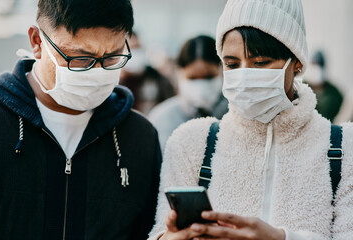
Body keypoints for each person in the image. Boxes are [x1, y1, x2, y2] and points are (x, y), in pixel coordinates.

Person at [148, 0, 353, 239]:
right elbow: (160, 230)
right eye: (232, 64)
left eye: (261, 63)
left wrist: (281, 238)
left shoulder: (344, 148)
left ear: (296, 62)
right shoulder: (191, 143)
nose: (244, 75)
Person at [0, 0, 161, 239]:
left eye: (112, 58)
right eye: (81, 59)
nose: (97, 73)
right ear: (37, 42)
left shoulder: (139, 137)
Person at [148, 35, 227, 151]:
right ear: (179, 74)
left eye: (209, 76)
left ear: (222, 71)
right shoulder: (162, 118)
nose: (201, 85)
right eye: (193, 78)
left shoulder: (238, 115)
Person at [120, 32, 175, 115]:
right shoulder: (114, 82)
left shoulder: (157, 79)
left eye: (137, 48)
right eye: (130, 49)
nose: (133, 53)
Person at [303, 51, 343, 122]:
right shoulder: (301, 88)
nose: (316, 70)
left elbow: (342, 113)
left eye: (319, 65)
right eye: (314, 65)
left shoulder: (333, 93)